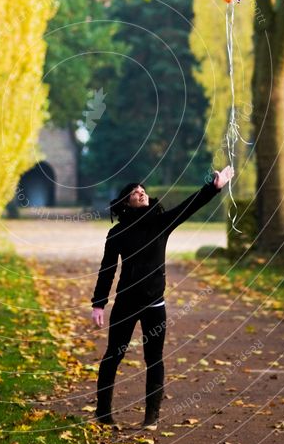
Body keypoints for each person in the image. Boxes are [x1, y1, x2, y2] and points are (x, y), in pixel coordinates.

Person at [90, 166, 234, 430]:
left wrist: (213, 187)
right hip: (125, 304)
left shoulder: (160, 223)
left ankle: (151, 417)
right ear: (126, 202)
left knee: (153, 358)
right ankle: (103, 413)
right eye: (135, 192)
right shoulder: (117, 234)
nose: (141, 193)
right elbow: (107, 270)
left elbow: (188, 206)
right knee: (114, 355)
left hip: (155, 304)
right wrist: (99, 304)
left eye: (143, 190)